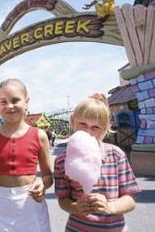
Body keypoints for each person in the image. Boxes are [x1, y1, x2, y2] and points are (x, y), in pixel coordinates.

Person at [0, 78, 53, 232]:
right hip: (0, 204)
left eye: (15, 100)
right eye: (3, 102)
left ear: (26, 101)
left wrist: (43, 184)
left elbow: (48, 177)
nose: (9, 106)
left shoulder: (40, 135)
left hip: (31, 204)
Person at [54, 93, 141, 231]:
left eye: (96, 127)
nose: (88, 131)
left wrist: (110, 207)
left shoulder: (116, 155)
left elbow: (130, 199)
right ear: (73, 121)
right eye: (82, 124)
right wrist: (76, 207)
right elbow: (63, 200)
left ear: (106, 128)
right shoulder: (61, 161)